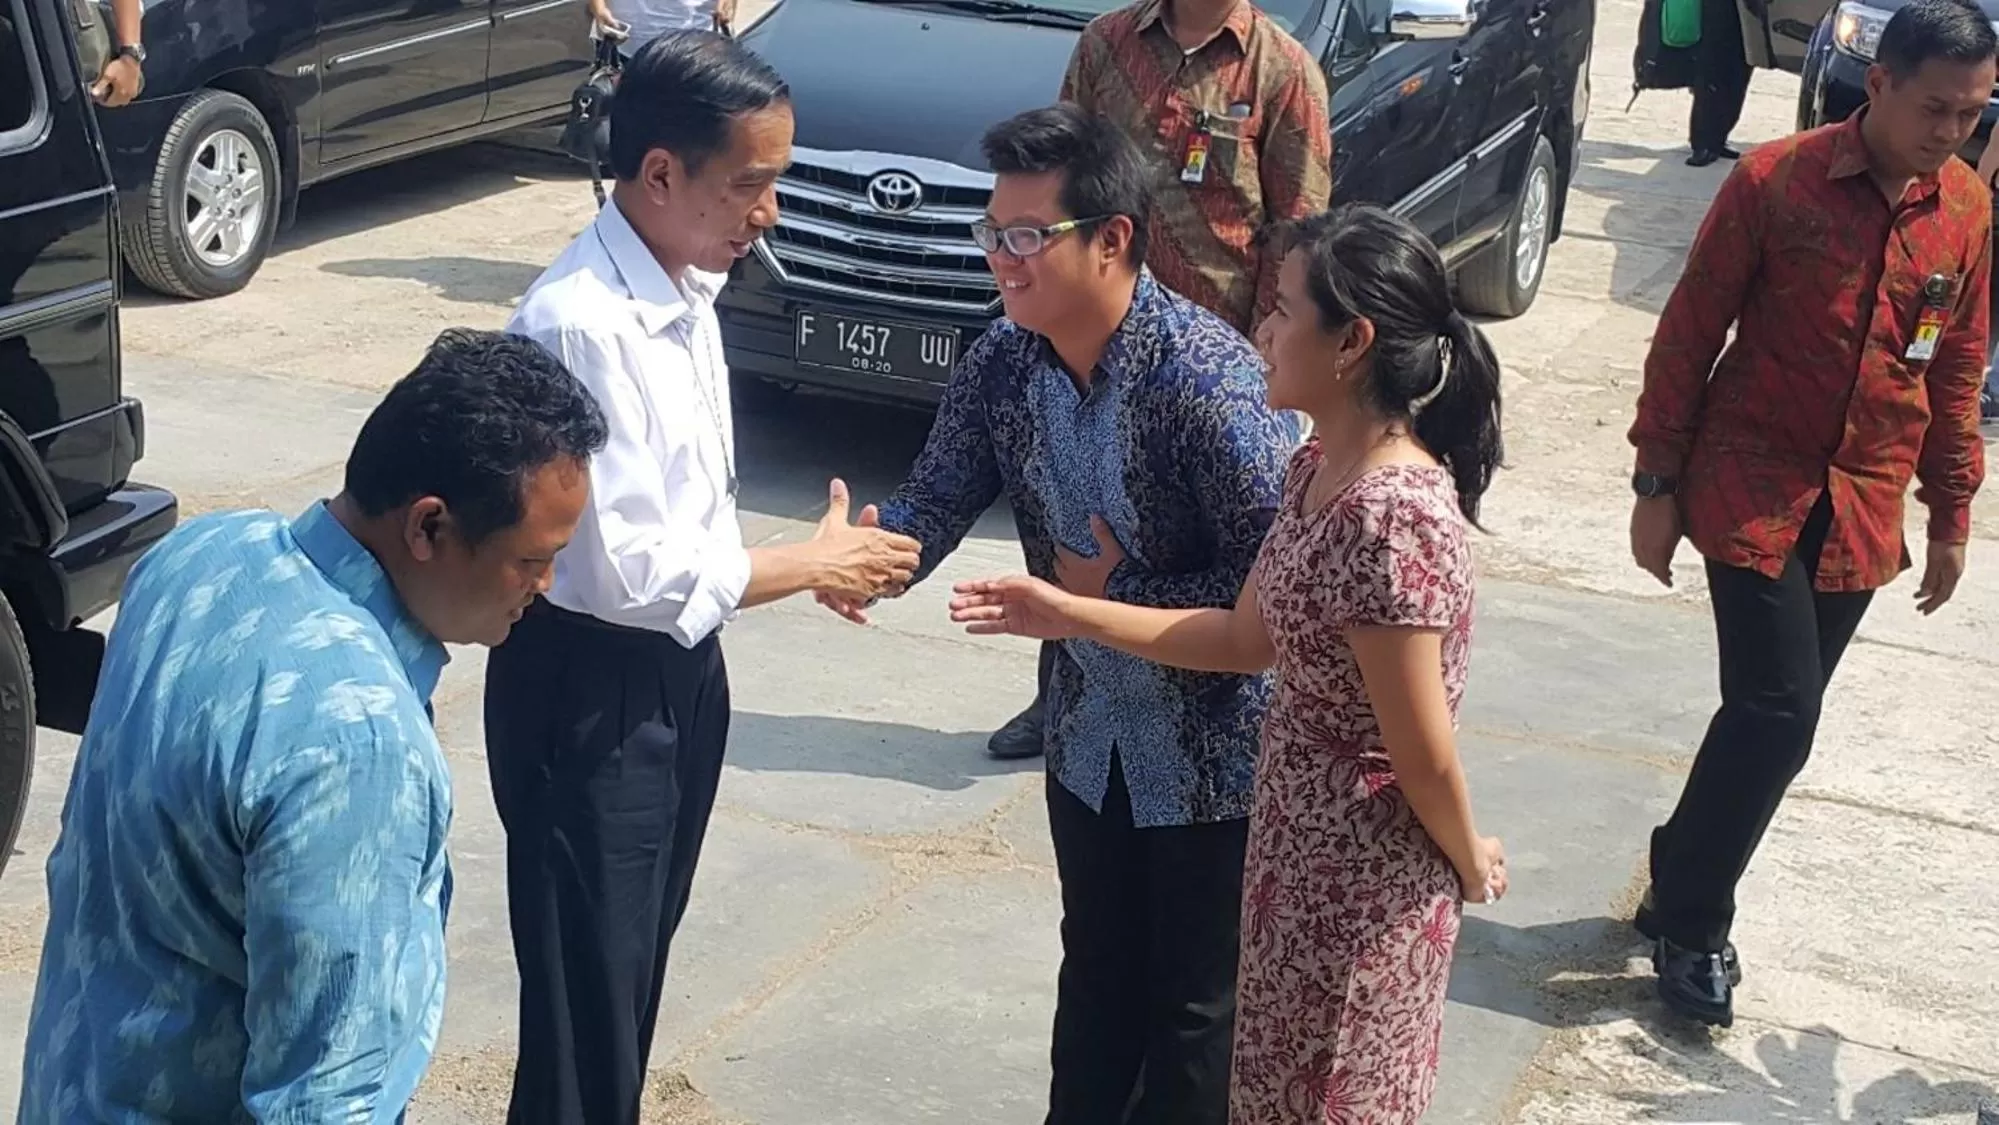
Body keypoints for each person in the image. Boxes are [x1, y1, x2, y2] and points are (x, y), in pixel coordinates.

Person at [949, 203, 1509, 1124]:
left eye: (1283, 310)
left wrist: (1466, 858)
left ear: (1352, 342)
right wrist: (1066, 612)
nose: (1260, 330)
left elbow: (1421, 755)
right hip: (1289, 853)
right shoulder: (1316, 468)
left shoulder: (1391, 515)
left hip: (1359, 887)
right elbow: (1243, 639)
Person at [826, 103, 1299, 1124]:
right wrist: (862, 560)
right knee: (1094, 981)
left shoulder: (1207, 384)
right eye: (993, 234)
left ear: (1113, 239)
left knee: (1190, 1015)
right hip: (1089, 738)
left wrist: (1103, 601)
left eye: (1028, 237)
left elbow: (1284, 591)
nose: (1004, 259)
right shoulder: (1003, 358)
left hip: (1218, 756)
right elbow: (937, 497)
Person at [489, 30, 921, 1125]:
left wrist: (783, 570)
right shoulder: (581, 322)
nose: (766, 212)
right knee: (586, 1012)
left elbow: (687, 521)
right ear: (659, 173)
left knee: (627, 983)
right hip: (591, 688)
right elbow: (625, 570)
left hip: (677, 677)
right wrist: (798, 563)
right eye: (751, 185)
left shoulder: (683, 288)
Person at [15, 329, 608, 1122]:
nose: (545, 584)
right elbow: (324, 1099)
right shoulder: (355, 744)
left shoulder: (201, 553)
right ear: (428, 527)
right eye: (533, 559)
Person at [1627, 0, 1991, 1028]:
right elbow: (1688, 332)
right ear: (1875, 84)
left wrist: (1951, 510)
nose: (1951, 131)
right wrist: (1656, 486)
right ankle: (1695, 925)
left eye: (1972, 112)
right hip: (1751, 484)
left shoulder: (1963, 208)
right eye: (1934, 107)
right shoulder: (1774, 181)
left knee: (1772, 724)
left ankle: (1673, 872)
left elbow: (1954, 370)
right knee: (1777, 713)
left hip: (1864, 502)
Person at [979, 0, 1332, 762]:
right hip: (1095, 348)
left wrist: (1270, 359)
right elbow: (1057, 173)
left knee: (1203, 554)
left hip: (1209, 367)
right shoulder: (1105, 44)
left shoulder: (1281, 70)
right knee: (1076, 531)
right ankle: (1064, 692)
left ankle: (1196, 714)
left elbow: (1296, 228)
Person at [1685, 0, 1752, 166]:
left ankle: (1718, 139)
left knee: (1738, 77)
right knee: (1711, 76)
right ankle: (1702, 143)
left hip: (1746, 14)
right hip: (1716, 11)